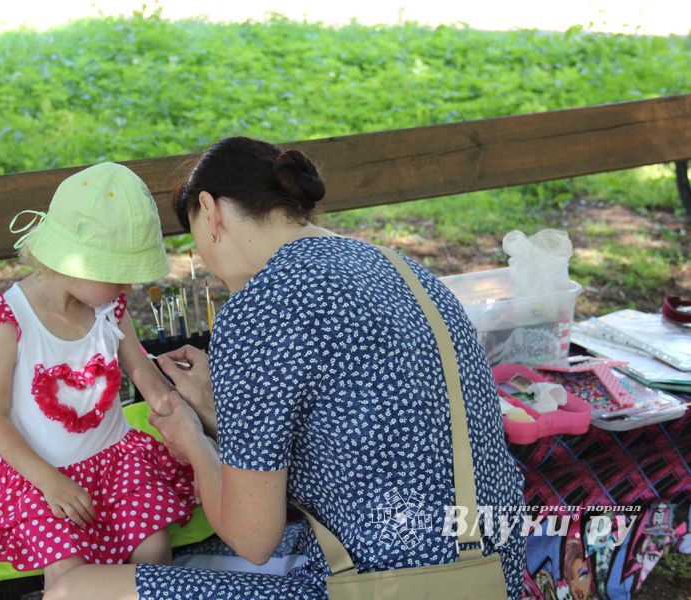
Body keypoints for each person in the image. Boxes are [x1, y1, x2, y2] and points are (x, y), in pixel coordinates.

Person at [45, 137, 526, 599]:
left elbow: (251, 539)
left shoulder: (260, 307)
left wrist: (193, 441)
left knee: (74, 590)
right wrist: (222, 404)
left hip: (374, 585)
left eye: (198, 245)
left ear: (211, 212)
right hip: (487, 570)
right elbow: (361, 432)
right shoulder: (399, 266)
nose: (208, 265)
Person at [0, 163, 197, 590]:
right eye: (119, 277)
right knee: (68, 572)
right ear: (76, 263)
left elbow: (139, 365)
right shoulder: (13, 319)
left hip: (118, 464)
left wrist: (172, 406)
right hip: (42, 474)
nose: (129, 291)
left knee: (155, 551)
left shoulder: (107, 306)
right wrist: (50, 482)